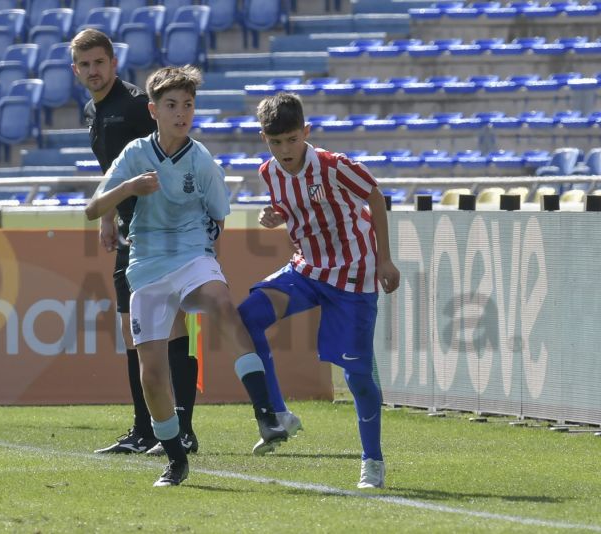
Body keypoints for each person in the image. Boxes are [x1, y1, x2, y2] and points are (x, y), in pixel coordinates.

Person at [85, 65, 288, 487]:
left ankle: (266, 413)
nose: (182, 113)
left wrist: (210, 261)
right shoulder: (135, 154)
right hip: (146, 265)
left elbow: (218, 217)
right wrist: (129, 190)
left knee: (222, 305)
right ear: (153, 110)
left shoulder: (203, 161)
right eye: (172, 105)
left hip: (193, 255)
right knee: (153, 372)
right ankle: (176, 460)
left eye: (188, 105)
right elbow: (93, 208)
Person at [237, 92, 400, 489]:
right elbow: (290, 212)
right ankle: (278, 414)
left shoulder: (334, 166)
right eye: (276, 142)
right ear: (264, 139)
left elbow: (375, 196)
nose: (285, 149)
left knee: (357, 377)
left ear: (305, 133)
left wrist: (384, 259)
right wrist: (274, 216)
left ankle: (372, 461)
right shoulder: (268, 173)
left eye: (292, 139)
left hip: (352, 276)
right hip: (307, 269)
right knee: (246, 316)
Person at [71, 29, 199, 456]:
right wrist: (108, 215)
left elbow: (173, 148)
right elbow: (117, 171)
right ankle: (146, 429)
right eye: (85, 65)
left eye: (99, 62)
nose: (93, 70)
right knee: (133, 329)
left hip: (160, 230)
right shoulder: (94, 110)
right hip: (130, 229)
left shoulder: (133, 106)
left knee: (172, 322)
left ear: (113, 63)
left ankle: (182, 429)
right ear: (76, 70)